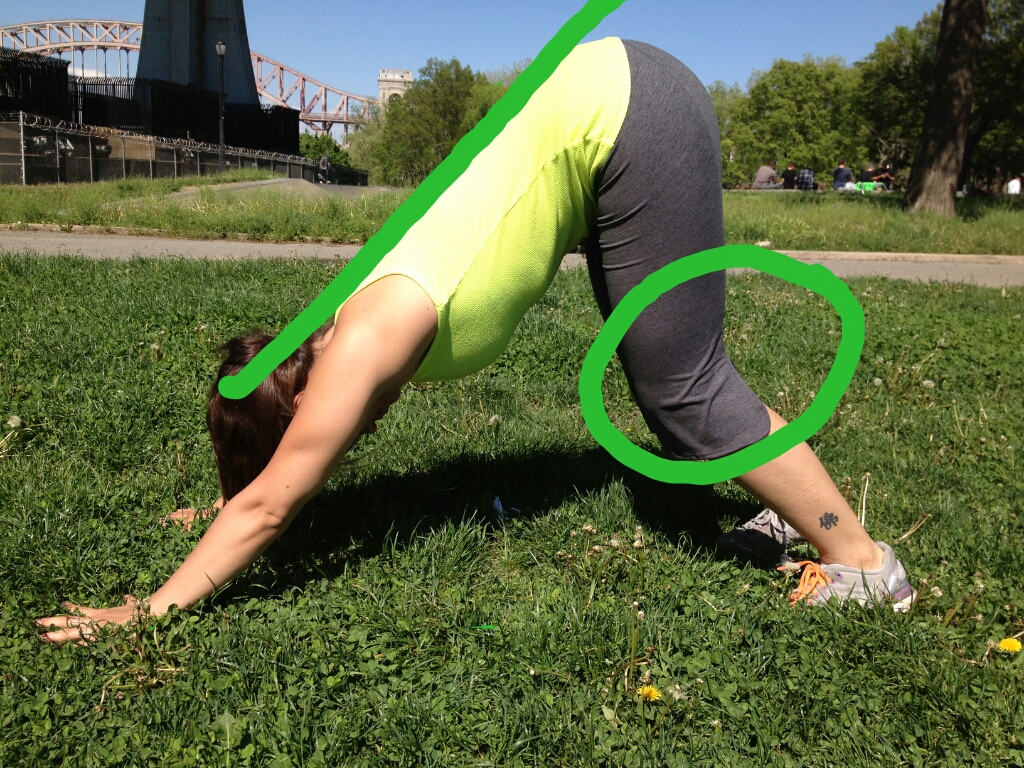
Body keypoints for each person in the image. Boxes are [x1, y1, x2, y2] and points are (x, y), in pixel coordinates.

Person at [37, 39, 915, 643]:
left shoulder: (366, 340)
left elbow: (272, 506)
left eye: (305, 441)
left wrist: (145, 611)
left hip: (625, 114)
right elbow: (276, 487)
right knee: (668, 372)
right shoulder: (327, 333)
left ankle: (865, 565)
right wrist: (228, 502)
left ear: (301, 402)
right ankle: (785, 509)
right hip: (607, 105)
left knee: (682, 384)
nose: (338, 449)